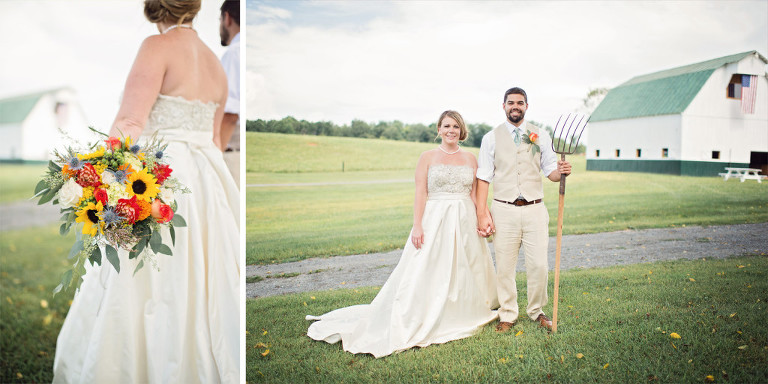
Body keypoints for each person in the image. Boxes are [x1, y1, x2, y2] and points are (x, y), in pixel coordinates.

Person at [52, 1, 240, 383]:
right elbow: (216, 140)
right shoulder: (216, 65)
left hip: (162, 179)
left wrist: (99, 176)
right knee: (205, 277)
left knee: (143, 278)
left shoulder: (156, 48)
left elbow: (130, 120)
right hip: (207, 183)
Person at [306, 110, 499, 358]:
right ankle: (421, 311)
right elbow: (421, 193)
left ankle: (465, 309)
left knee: (467, 266)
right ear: (439, 129)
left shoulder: (471, 159)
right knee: (428, 266)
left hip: (464, 218)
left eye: (456, 127)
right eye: (447, 126)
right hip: (435, 218)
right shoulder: (427, 157)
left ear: (462, 131)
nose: (451, 130)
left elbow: (474, 194)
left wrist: (483, 216)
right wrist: (417, 226)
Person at [475, 87, 571, 333]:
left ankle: (537, 311)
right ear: (503, 106)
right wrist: (482, 212)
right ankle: (507, 313)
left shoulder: (541, 135)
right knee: (504, 266)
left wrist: (562, 171)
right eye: (510, 103)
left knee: (539, 265)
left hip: (535, 210)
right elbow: (484, 177)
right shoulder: (491, 138)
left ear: (526, 106)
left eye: (520, 102)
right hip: (503, 209)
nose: (515, 106)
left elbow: (550, 172)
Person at [218, 0, 239, 153]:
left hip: (229, 148)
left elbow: (230, 114)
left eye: (219, 20)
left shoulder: (234, 53)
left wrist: (215, 156)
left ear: (227, 18)